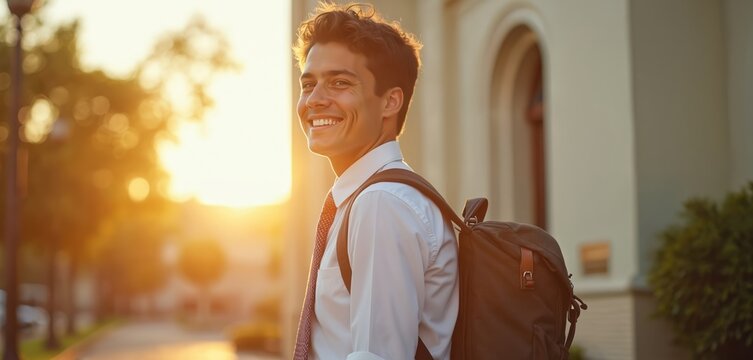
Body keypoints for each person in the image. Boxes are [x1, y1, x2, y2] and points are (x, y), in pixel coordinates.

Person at [292, 3, 458, 360]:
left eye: (339, 83)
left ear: (390, 102)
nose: (315, 100)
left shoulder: (382, 203)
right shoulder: (373, 197)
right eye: (309, 83)